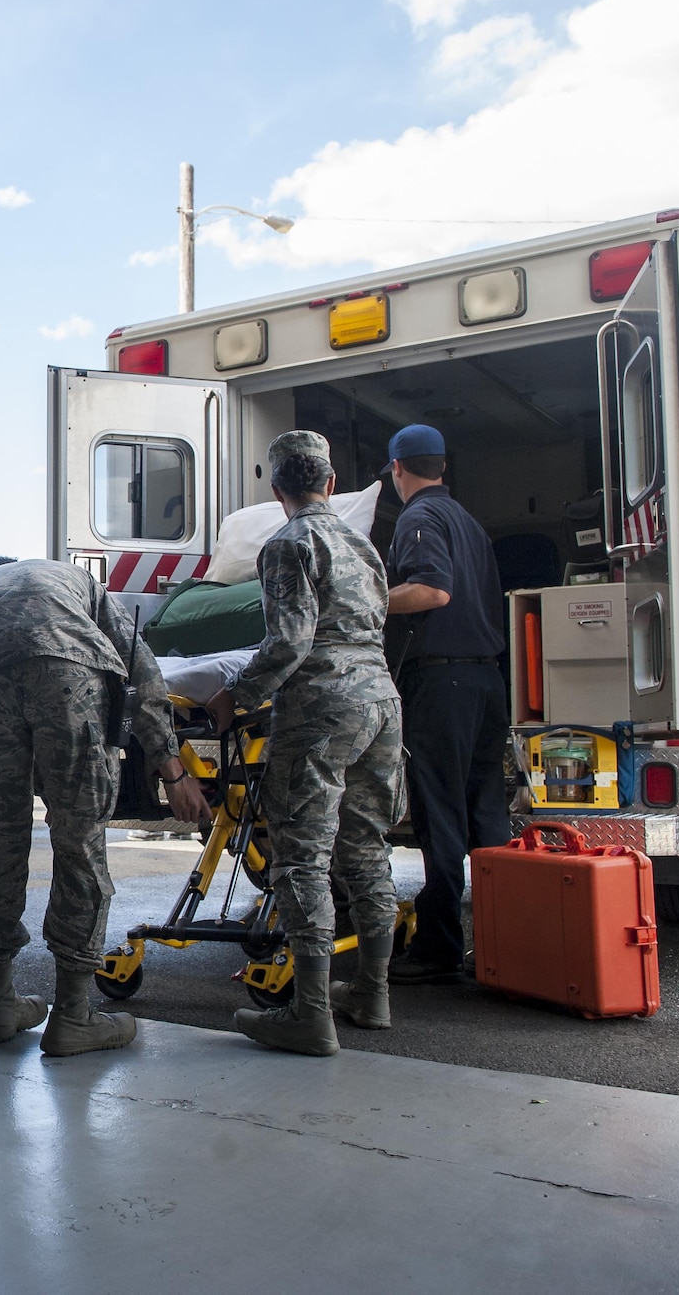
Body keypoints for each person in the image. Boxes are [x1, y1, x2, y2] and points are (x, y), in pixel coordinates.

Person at [0, 556, 212, 1056]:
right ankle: (73, 1015)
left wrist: (3, 775)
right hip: (68, 668)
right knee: (78, 840)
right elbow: (140, 667)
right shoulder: (72, 581)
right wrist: (171, 768)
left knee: (0, 836)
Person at [205, 431, 401, 1057]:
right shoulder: (361, 543)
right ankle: (372, 995)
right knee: (366, 847)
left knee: (301, 855)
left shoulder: (288, 543)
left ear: (276, 489)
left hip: (322, 705)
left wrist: (237, 695)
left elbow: (289, 641)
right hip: (380, 700)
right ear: (331, 483)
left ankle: (310, 1016)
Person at [380, 424, 512, 984]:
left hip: (443, 686)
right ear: (444, 467)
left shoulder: (419, 518)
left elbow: (432, 590)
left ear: (397, 470)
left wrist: (369, 599)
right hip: (486, 683)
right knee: (487, 817)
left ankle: (439, 949)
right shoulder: (469, 523)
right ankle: (506, 943)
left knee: (442, 819)